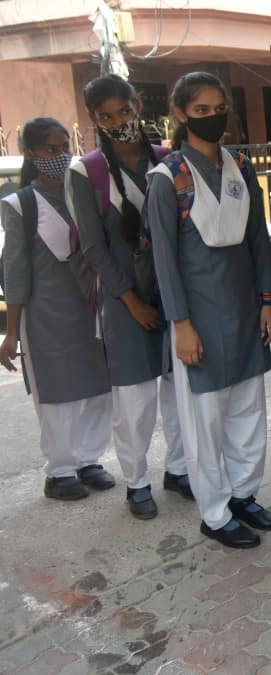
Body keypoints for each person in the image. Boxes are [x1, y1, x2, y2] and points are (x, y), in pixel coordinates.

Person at [145, 72, 271, 549]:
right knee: (205, 422)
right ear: (180, 114)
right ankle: (215, 512)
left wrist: (269, 300)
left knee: (248, 410)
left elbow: (258, 239)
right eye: (201, 110)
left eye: (218, 107)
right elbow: (164, 259)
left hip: (245, 312)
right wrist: (180, 325)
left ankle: (244, 494)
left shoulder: (240, 167)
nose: (213, 116)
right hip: (198, 319)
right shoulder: (168, 179)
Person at [67, 74, 190, 520]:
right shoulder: (87, 172)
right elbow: (93, 247)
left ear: (137, 105)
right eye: (106, 116)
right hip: (125, 305)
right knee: (135, 401)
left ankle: (179, 469)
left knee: (179, 391)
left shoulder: (168, 159)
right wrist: (131, 301)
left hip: (172, 294)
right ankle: (137, 482)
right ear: (94, 120)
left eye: (123, 111)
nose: (118, 122)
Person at [0, 118, 114, 500]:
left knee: (96, 388)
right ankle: (60, 470)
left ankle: (88, 460)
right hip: (46, 316)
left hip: (90, 310)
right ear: (31, 153)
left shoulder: (80, 193)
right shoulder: (20, 205)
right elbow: (14, 272)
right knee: (57, 394)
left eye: (65, 147)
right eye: (51, 149)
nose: (60, 156)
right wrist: (12, 332)